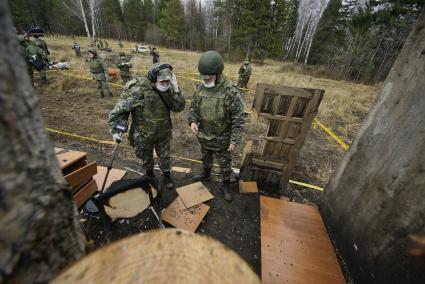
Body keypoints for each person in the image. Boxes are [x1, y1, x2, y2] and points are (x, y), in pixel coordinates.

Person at [108, 63, 185, 189]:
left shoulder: (169, 88)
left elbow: (178, 107)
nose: (165, 84)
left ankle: (166, 176)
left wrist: (176, 88)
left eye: (168, 81)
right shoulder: (137, 89)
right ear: (153, 78)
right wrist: (115, 130)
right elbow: (120, 111)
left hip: (162, 132)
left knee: (165, 156)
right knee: (146, 157)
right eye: (162, 81)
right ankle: (149, 176)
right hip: (142, 134)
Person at [188, 51, 245, 202]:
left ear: (218, 74)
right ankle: (206, 174)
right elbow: (193, 108)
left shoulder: (230, 91)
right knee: (206, 158)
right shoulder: (200, 89)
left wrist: (234, 140)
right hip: (204, 136)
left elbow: (238, 118)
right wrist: (192, 121)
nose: (206, 81)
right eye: (203, 78)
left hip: (222, 139)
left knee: (224, 164)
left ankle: (226, 184)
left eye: (209, 78)